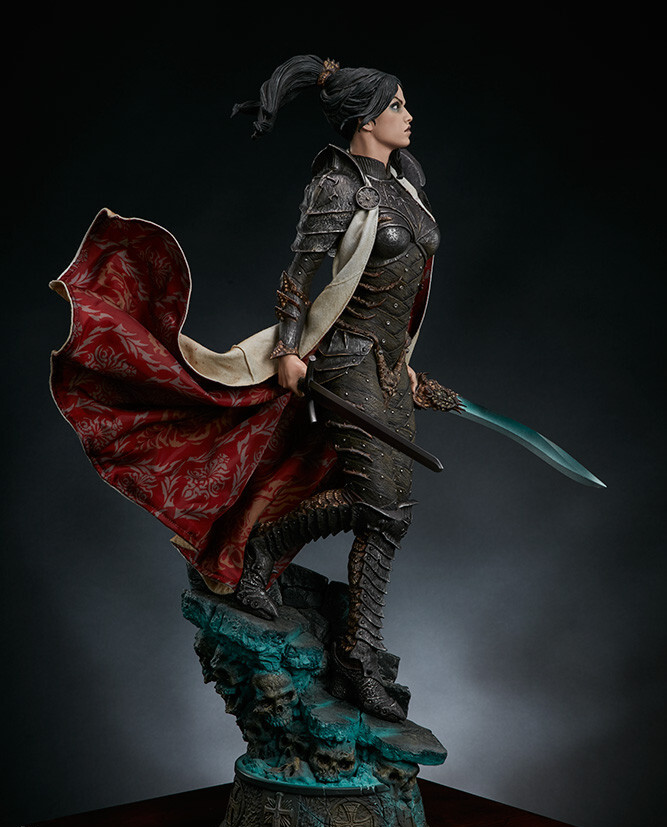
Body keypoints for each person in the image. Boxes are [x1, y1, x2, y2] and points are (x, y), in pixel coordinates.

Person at [49, 55, 445, 724]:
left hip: (385, 364)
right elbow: (299, 278)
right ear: (364, 117)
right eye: (397, 105)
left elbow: (406, 286)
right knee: (382, 508)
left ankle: (302, 591)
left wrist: (405, 360)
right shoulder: (336, 185)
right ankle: (338, 639)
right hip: (344, 360)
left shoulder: (406, 183)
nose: (408, 115)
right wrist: (288, 351)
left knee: (389, 512)